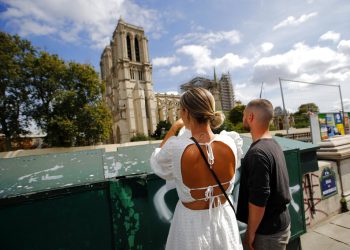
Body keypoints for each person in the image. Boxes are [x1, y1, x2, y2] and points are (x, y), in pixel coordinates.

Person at [150, 87, 243, 250]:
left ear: (185, 112)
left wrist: (173, 129)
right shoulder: (231, 141)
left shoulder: (176, 148)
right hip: (224, 220)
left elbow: (159, 164)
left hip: (191, 225)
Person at [236, 99, 291, 250]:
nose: (243, 119)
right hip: (280, 223)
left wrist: (250, 234)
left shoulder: (257, 153)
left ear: (251, 117)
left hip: (267, 232)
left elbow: (259, 200)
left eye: (244, 115)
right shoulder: (273, 144)